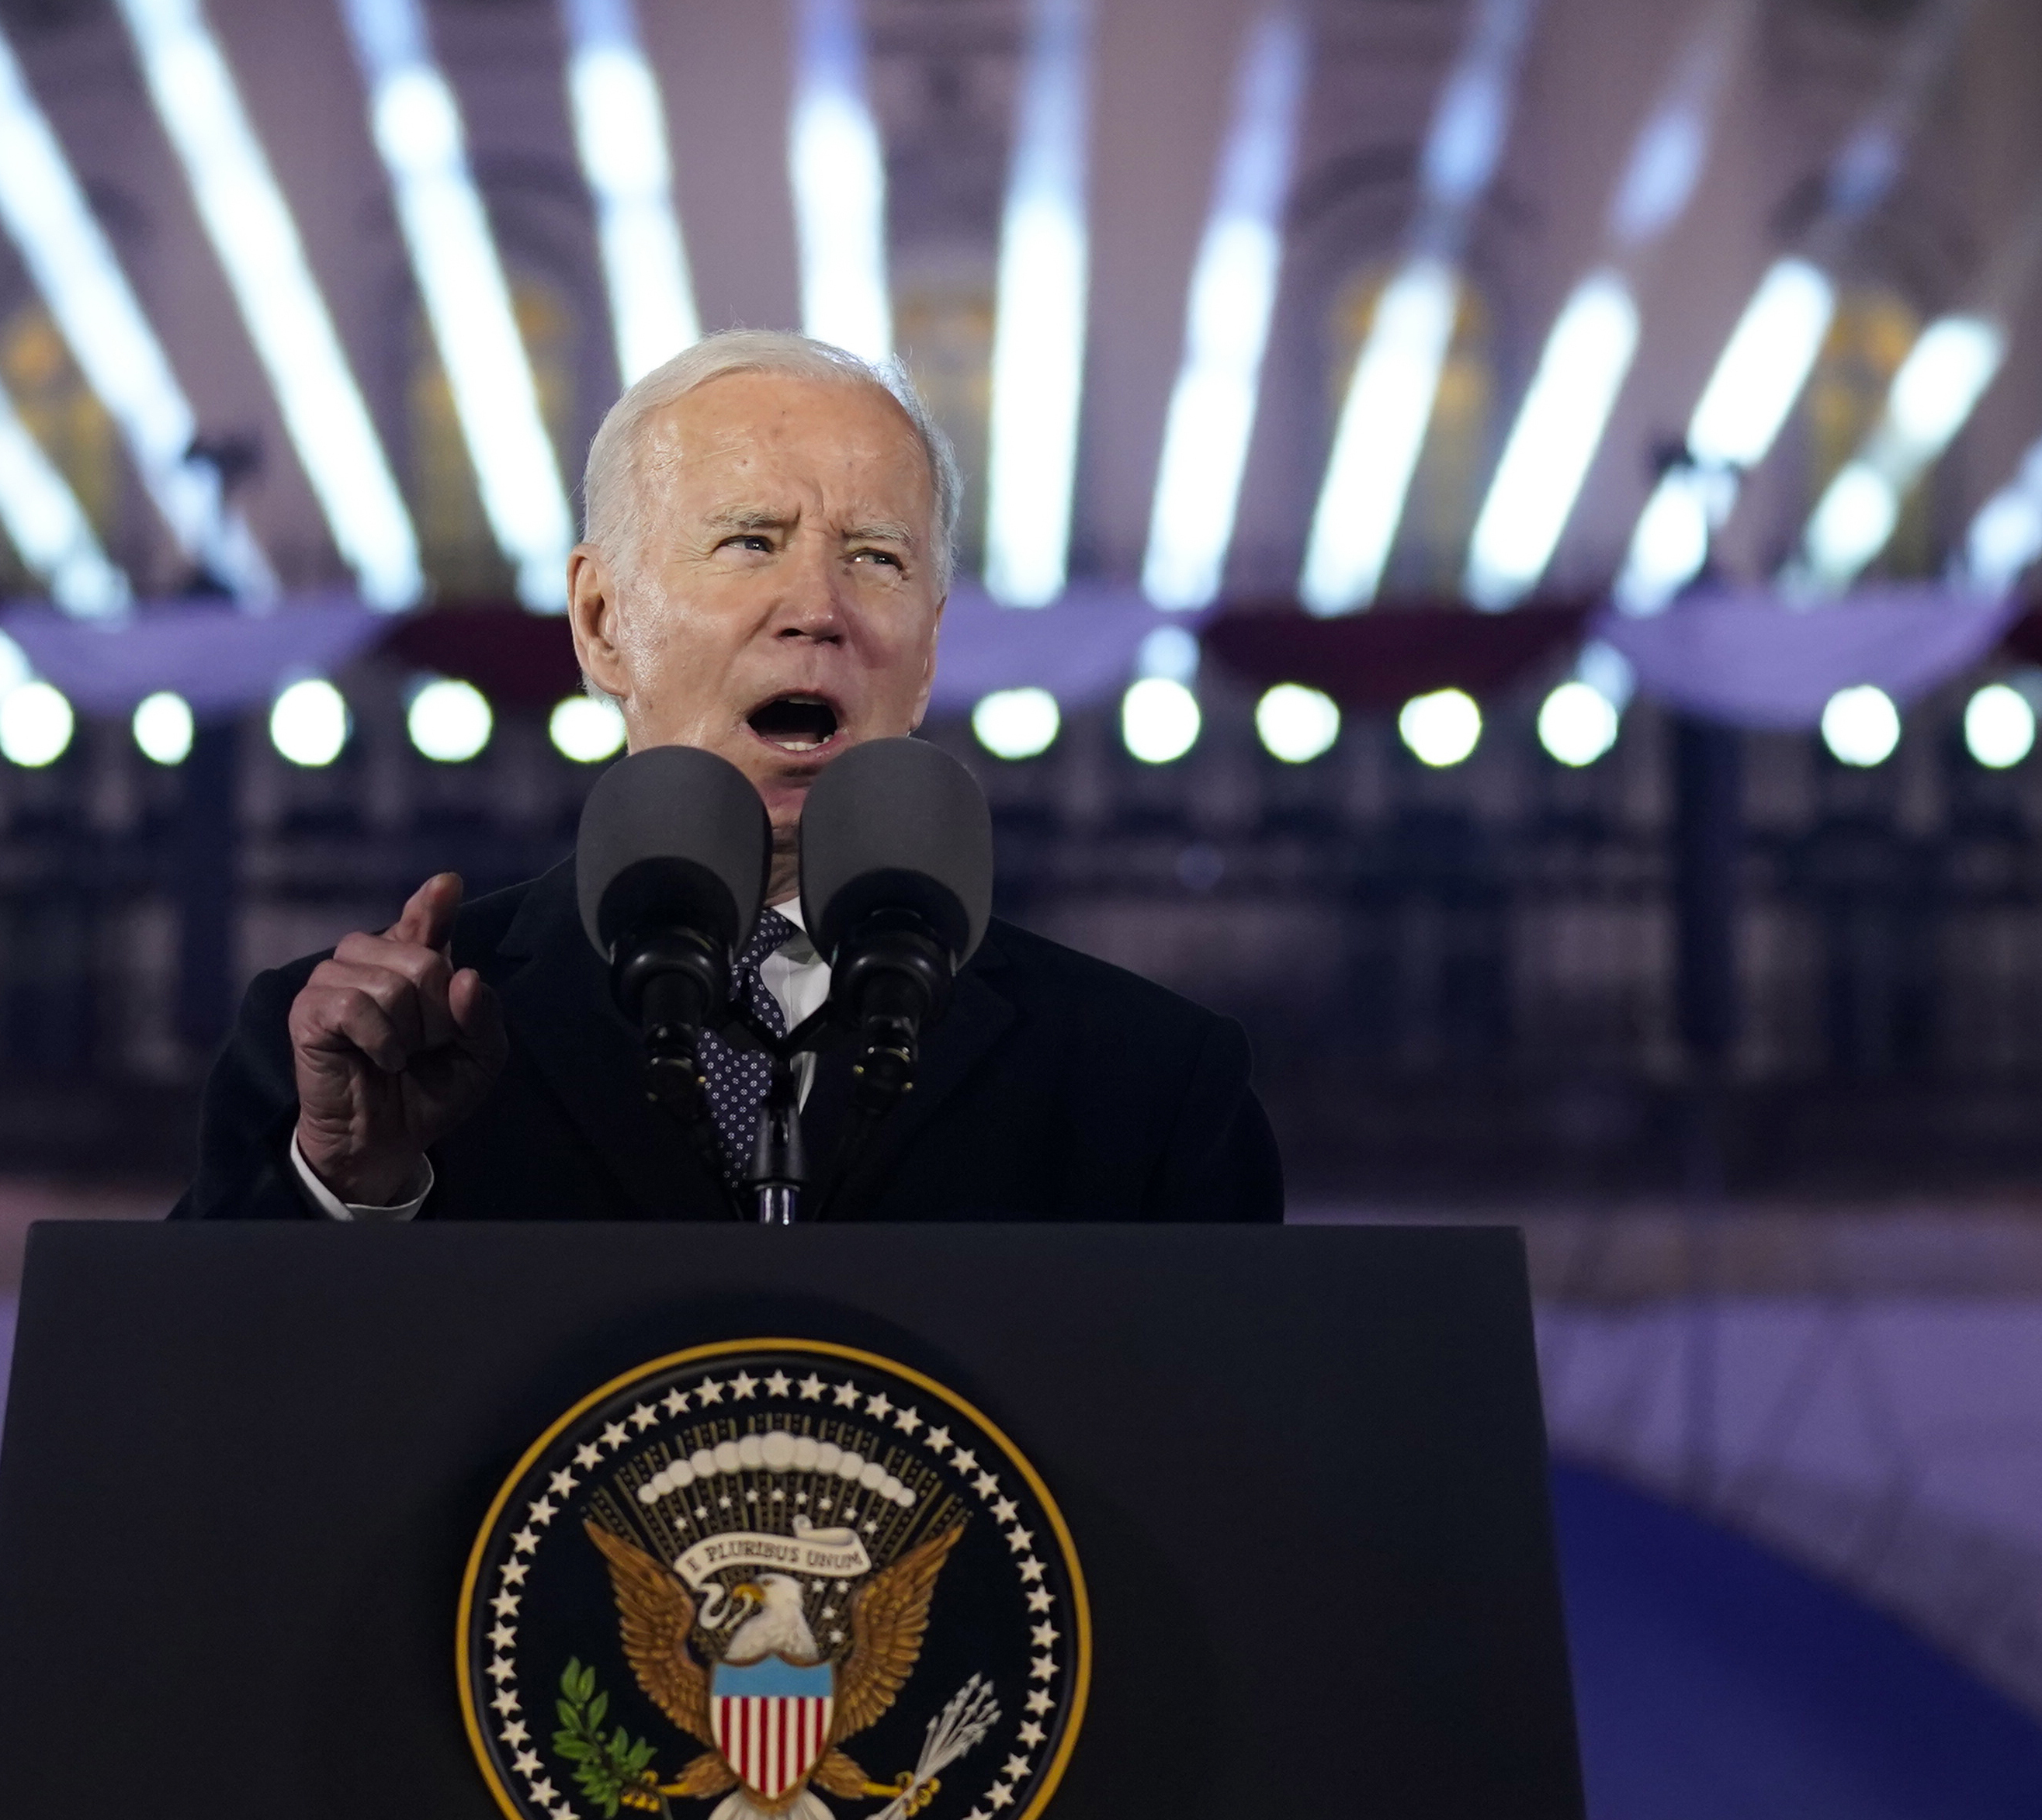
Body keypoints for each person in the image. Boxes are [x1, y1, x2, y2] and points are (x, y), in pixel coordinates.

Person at [177, 331, 1279, 1222]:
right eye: (749, 541)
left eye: (876, 557)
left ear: (930, 646)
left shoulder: (1150, 1084)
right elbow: (178, 1441)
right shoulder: (357, 1052)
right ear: (603, 622)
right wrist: (350, 1188)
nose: (818, 608)